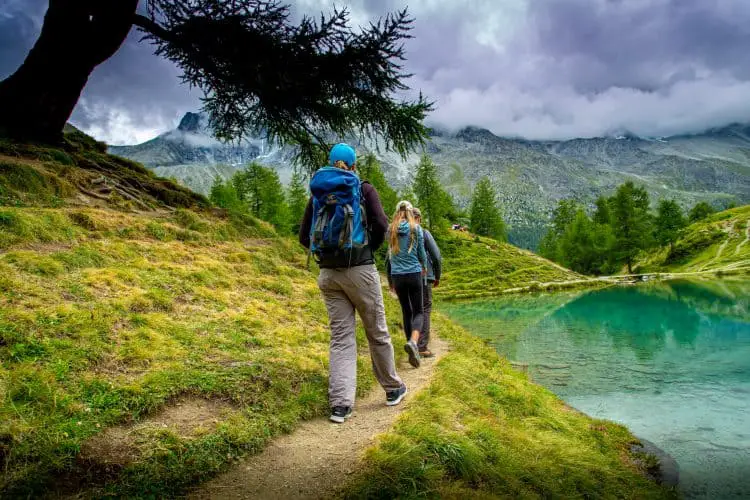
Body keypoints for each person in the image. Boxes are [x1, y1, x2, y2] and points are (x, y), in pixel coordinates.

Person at [299, 143, 407, 424]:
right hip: (360, 269)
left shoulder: (319, 194)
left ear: (330, 163)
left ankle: (340, 406)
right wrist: (366, 247)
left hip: (328, 275)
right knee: (377, 331)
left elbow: (303, 237)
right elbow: (382, 225)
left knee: (341, 338)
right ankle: (393, 388)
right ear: (353, 165)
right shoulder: (362, 188)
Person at [386, 200, 427, 369]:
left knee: (406, 310)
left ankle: (411, 346)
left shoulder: (391, 230)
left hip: (397, 276)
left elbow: (389, 256)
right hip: (413, 273)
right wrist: (424, 266)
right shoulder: (415, 229)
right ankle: (414, 342)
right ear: (411, 213)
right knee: (419, 311)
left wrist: (390, 279)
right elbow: (421, 252)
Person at [411, 207, 442, 358]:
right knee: (425, 308)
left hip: (404, 275)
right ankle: (422, 346)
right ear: (419, 219)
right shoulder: (423, 233)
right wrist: (437, 275)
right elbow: (436, 256)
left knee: (413, 309)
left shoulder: (400, 233)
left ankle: (412, 341)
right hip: (424, 275)